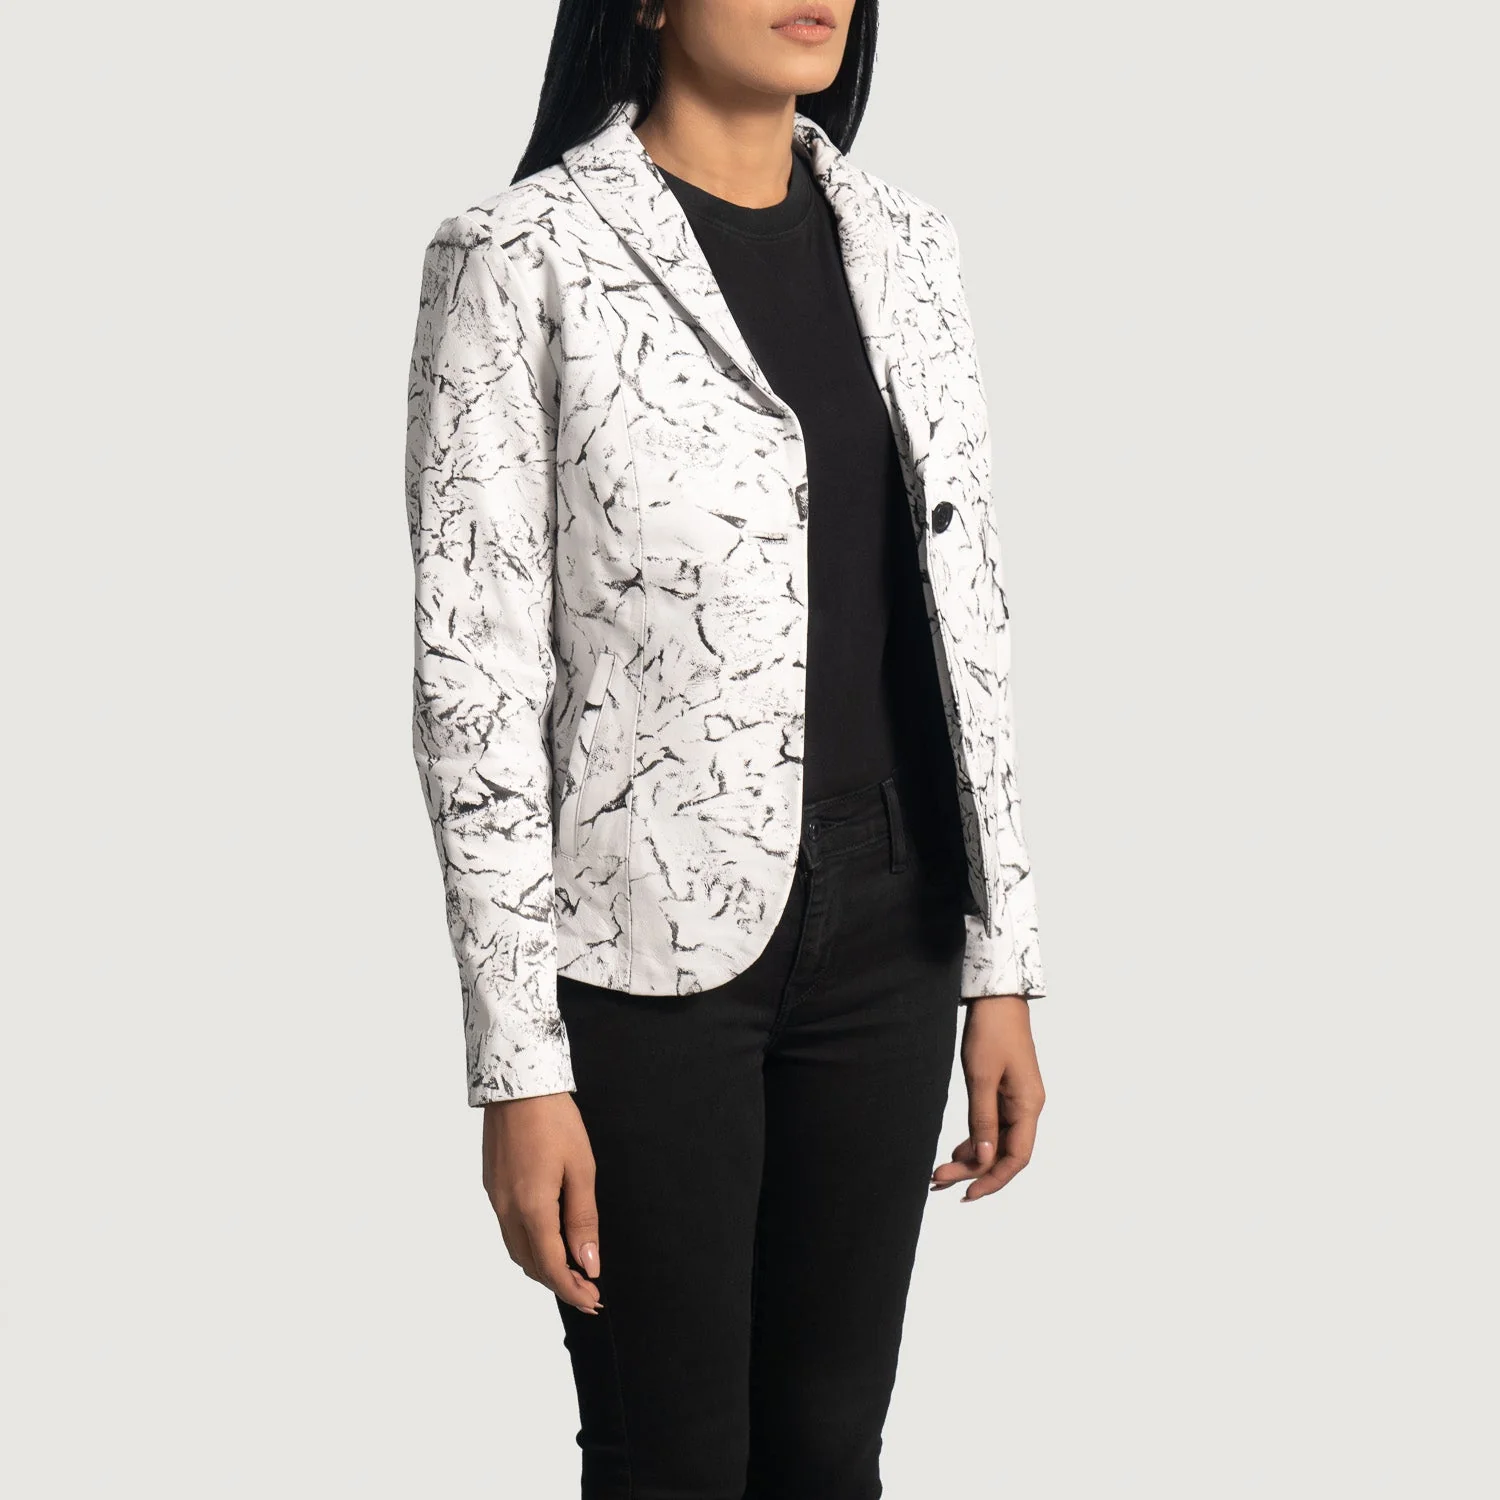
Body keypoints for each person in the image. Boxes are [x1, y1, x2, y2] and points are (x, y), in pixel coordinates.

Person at [403, 2, 1048, 1494]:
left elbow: (968, 618)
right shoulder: (520, 255)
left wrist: (1001, 963)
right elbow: (472, 681)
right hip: (641, 958)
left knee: (829, 1453)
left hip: (892, 927)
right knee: (669, 1460)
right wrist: (517, 1068)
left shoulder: (912, 247)